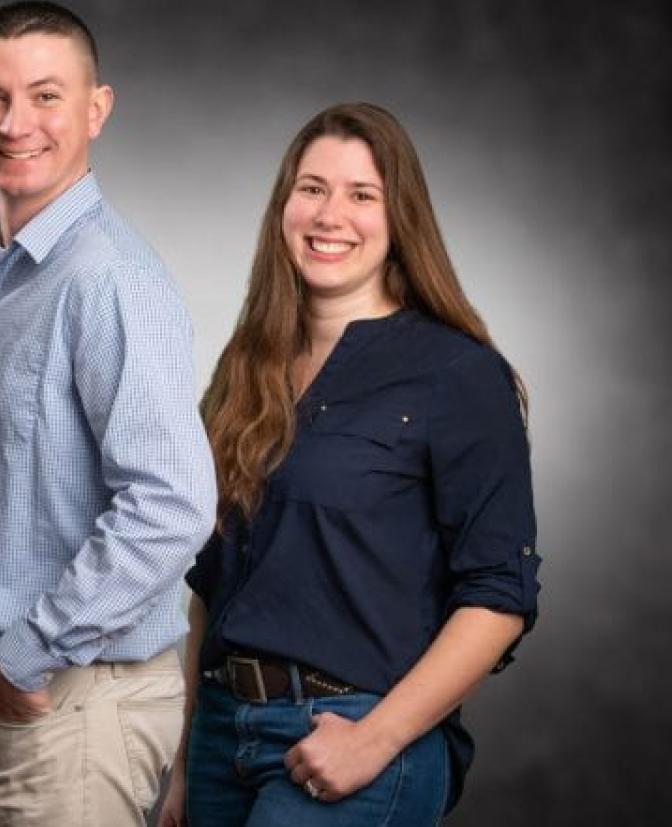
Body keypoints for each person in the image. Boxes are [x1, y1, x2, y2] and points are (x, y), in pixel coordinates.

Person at [159, 102, 541, 827]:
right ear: (284, 206)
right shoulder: (246, 368)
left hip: (352, 736)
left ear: (400, 218)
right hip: (222, 736)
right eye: (312, 188)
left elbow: (499, 597)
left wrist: (376, 739)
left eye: (362, 194)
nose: (331, 214)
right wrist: (184, 760)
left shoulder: (457, 373)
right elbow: (212, 587)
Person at [0, 3, 217, 824]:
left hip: (70, 706)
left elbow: (172, 504)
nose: (16, 123)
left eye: (47, 96)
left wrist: (23, 657)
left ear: (97, 109)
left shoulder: (110, 278)